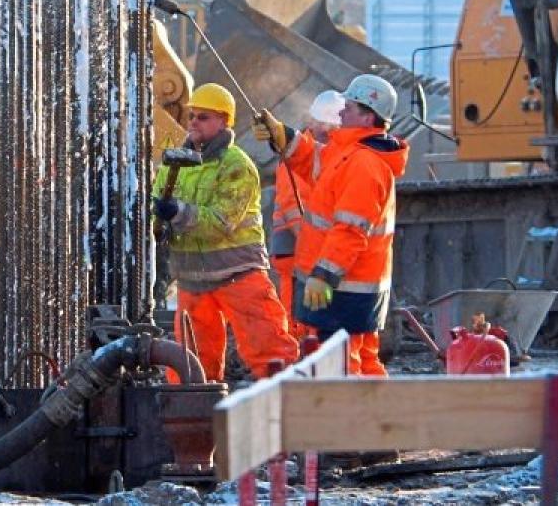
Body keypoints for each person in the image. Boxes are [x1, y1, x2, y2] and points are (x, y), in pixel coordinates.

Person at [255, 74, 408, 377]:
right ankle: (378, 419)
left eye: (348, 107)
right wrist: (284, 136)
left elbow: (350, 230)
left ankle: (348, 421)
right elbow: (315, 160)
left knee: (340, 366)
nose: (340, 113)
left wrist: (324, 275)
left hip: (343, 286)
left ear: (367, 116)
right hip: (350, 284)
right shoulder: (350, 153)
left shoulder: (365, 165)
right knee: (362, 362)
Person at [154, 83, 299, 382]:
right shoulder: (175, 165)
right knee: (190, 371)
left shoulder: (237, 166)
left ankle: (290, 413)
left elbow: (221, 222)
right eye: (192, 115)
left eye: (203, 117)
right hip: (193, 281)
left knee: (272, 354)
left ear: (223, 121)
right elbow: (157, 210)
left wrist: (177, 212)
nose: (194, 122)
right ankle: (192, 424)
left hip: (239, 277)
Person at [269, 90, 345, 341]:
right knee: (296, 313)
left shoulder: (325, 154)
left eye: (331, 125)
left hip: (311, 248)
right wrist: (315, 243)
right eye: (324, 124)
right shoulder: (297, 157)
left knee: (312, 310)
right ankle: (295, 355)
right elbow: (292, 204)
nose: (327, 130)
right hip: (295, 249)